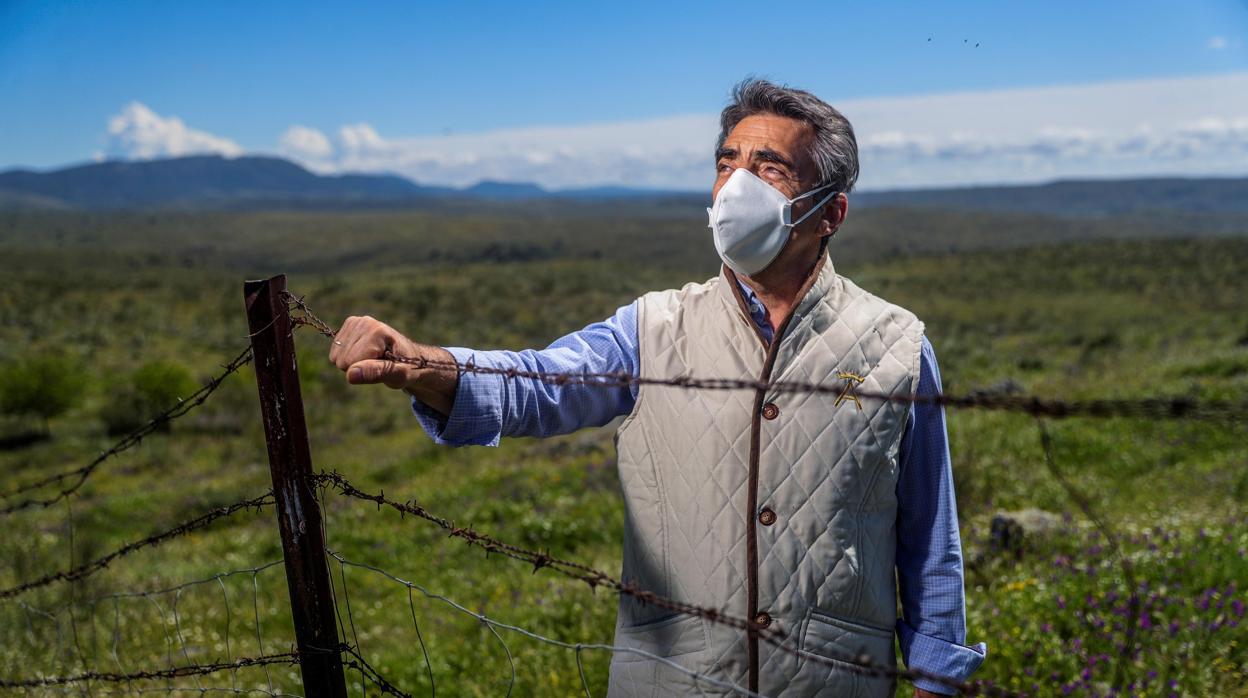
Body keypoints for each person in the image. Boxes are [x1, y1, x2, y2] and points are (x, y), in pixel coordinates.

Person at [329, 78, 986, 697]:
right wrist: (424, 365)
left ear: (830, 213)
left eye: (770, 169)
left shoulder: (896, 344)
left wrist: (938, 671)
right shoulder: (653, 327)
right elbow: (542, 384)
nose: (736, 187)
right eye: (726, 163)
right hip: (675, 679)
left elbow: (929, 530)